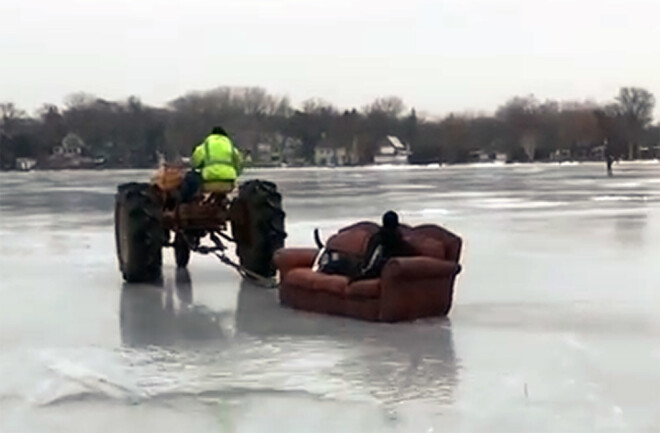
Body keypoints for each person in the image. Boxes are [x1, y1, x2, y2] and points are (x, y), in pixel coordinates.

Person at [180, 126, 244, 202]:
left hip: (209, 180)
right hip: (228, 181)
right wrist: (236, 173)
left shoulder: (206, 145)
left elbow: (195, 162)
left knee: (190, 177)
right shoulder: (230, 146)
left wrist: (201, 166)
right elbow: (239, 163)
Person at [356, 210, 416, 280]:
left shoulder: (378, 238)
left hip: (378, 271)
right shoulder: (400, 240)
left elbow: (371, 260)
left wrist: (363, 271)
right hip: (392, 270)